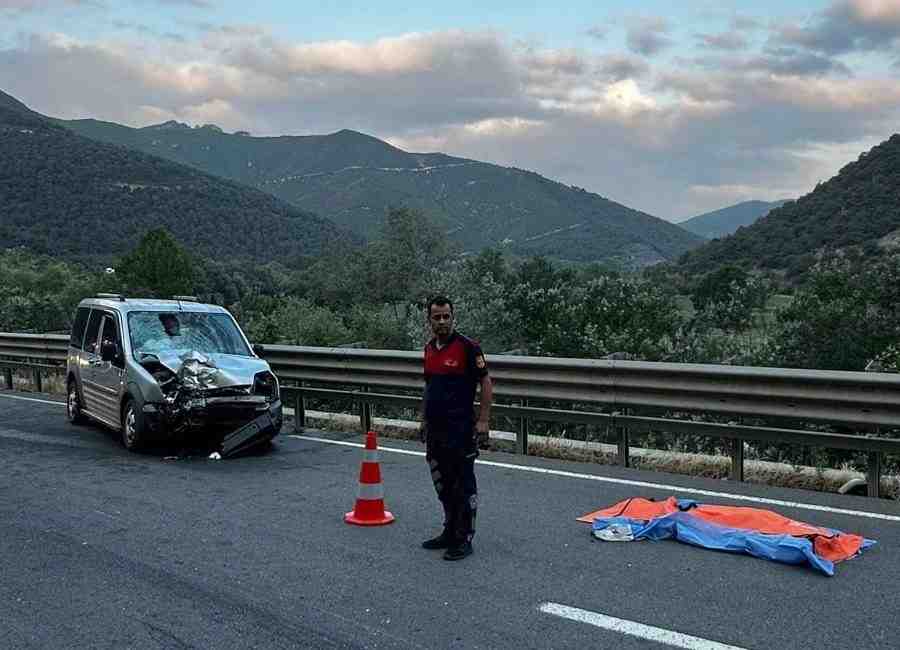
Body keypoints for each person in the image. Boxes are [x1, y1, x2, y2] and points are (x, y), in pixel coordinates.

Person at [419, 296, 493, 561]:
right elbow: (429, 387)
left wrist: (483, 421)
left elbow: (486, 383)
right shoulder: (429, 349)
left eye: (446, 316)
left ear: (453, 317)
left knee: (463, 484)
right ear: (429, 320)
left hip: (460, 429)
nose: (442, 321)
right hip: (436, 429)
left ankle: (465, 537)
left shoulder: (468, 347)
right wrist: (423, 420)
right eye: (436, 317)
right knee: (443, 483)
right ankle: (449, 531)